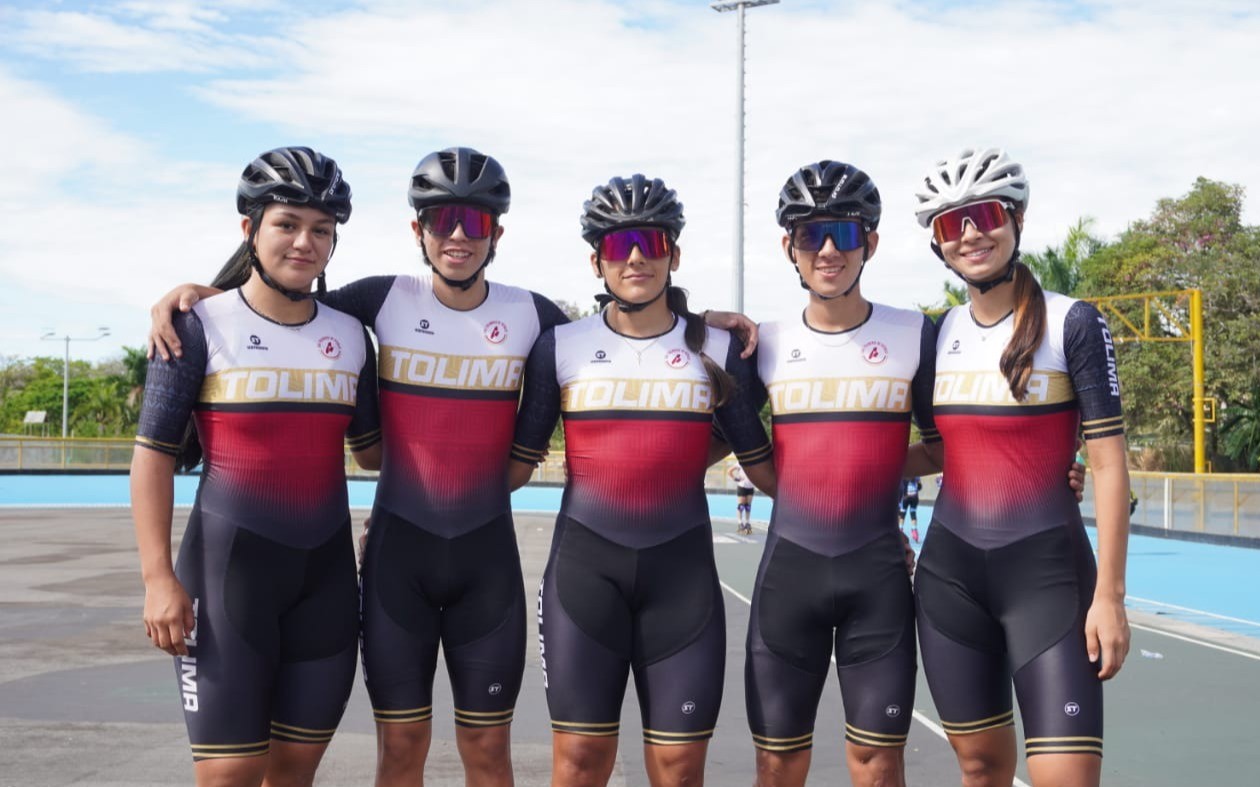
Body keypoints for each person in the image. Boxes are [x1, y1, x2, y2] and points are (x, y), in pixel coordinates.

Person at [145, 148, 759, 787]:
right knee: (401, 748)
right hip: (396, 563)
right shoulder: (379, 300)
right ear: (419, 230)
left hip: (485, 565)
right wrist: (201, 295)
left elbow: (623, 335)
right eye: (443, 221)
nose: (459, 235)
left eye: (476, 222)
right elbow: (283, 303)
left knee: (488, 755)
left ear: (497, 234)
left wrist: (698, 322)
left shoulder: (535, 317)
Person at [508, 174, 777, 787]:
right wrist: (403, 515)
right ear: (596, 261)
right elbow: (515, 468)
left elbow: (767, 472)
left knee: (679, 771)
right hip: (583, 580)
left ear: (673, 254)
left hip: (681, 583)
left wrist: (871, 524)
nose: (635, 257)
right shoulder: (559, 346)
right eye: (617, 244)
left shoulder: (718, 349)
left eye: (651, 242)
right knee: (580, 766)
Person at [131, 147, 381, 787]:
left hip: (324, 583)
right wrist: (158, 578)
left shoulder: (352, 336)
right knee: (230, 774)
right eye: (287, 224)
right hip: (226, 579)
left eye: (321, 229)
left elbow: (375, 452)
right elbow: (152, 456)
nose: (304, 242)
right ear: (250, 228)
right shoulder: (196, 325)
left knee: (295, 771)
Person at [910, 148, 1131, 787]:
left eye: (984, 215)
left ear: (1017, 219)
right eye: (951, 224)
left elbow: (1109, 465)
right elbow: (936, 451)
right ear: (937, 243)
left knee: (1066, 776)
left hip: (1049, 579)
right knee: (980, 770)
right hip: (950, 581)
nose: (970, 234)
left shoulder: (1072, 322)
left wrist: (1111, 596)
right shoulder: (933, 336)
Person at [745, 161, 937, 787]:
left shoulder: (914, 334)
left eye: (845, 233)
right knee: (778, 767)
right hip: (788, 578)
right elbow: (715, 437)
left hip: (876, 582)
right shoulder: (763, 343)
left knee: (878, 767)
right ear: (790, 247)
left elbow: (948, 445)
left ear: (870, 243)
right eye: (810, 234)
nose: (828, 250)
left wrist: (1058, 467)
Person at [729, 462, 756, 534]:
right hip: (742, 486)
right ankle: (740, 523)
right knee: (741, 506)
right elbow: (729, 471)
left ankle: (747, 522)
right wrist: (735, 478)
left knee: (748, 506)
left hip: (750, 487)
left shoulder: (753, 462)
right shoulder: (739, 463)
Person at [899, 477, 922, 543]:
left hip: (906, 497)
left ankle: (900, 531)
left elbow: (900, 487)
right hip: (914, 497)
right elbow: (920, 487)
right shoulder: (917, 476)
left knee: (902, 515)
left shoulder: (904, 475)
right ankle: (914, 532)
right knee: (913, 514)